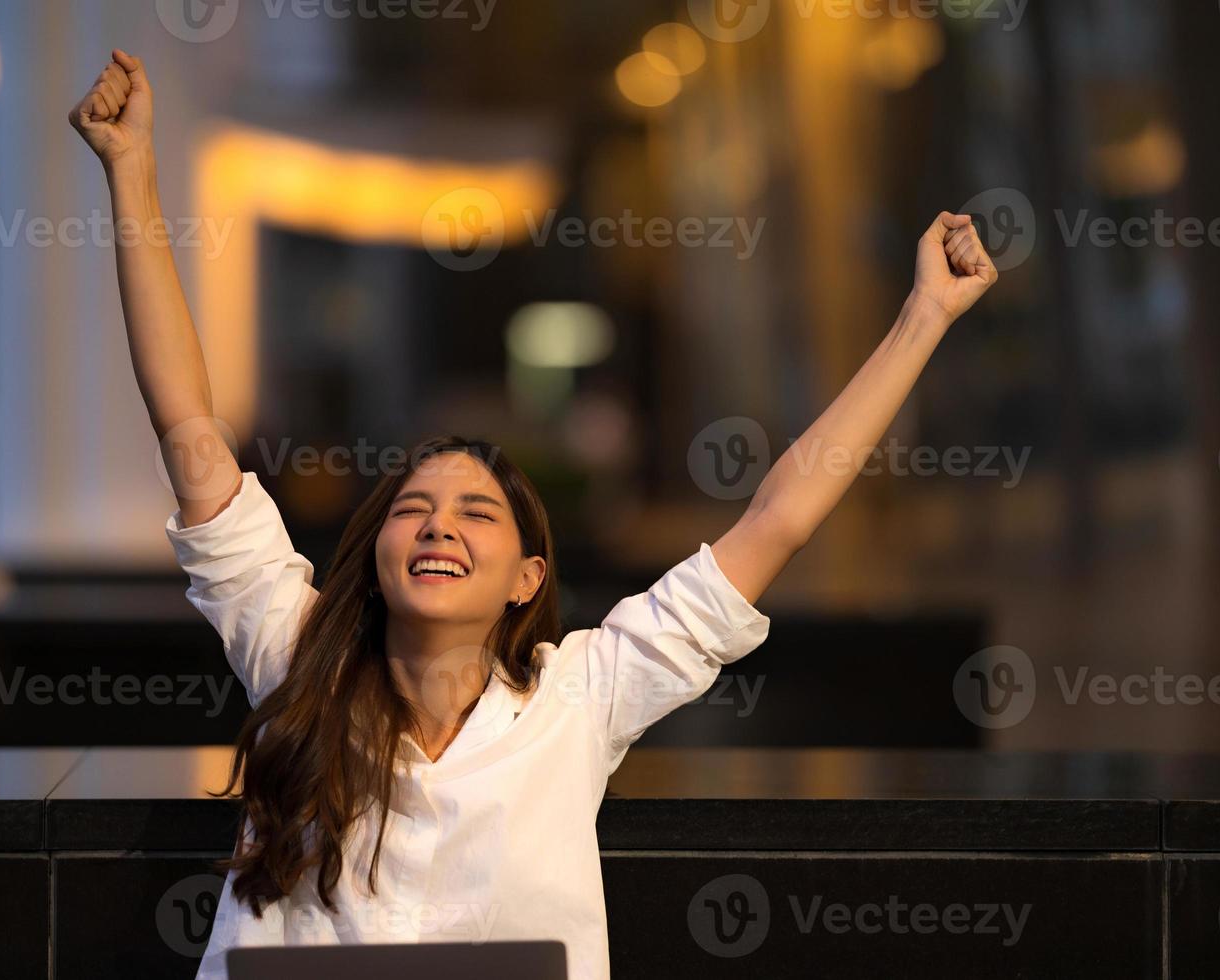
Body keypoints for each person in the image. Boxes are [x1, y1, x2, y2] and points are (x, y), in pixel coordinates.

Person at [69, 47, 998, 980]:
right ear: (378, 550)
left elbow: (778, 519)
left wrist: (926, 312)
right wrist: (132, 168)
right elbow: (188, 423)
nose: (437, 525)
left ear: (528, 579)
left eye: (476, 513)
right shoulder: (290, 648)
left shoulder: (581, 699)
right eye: (414, 509)